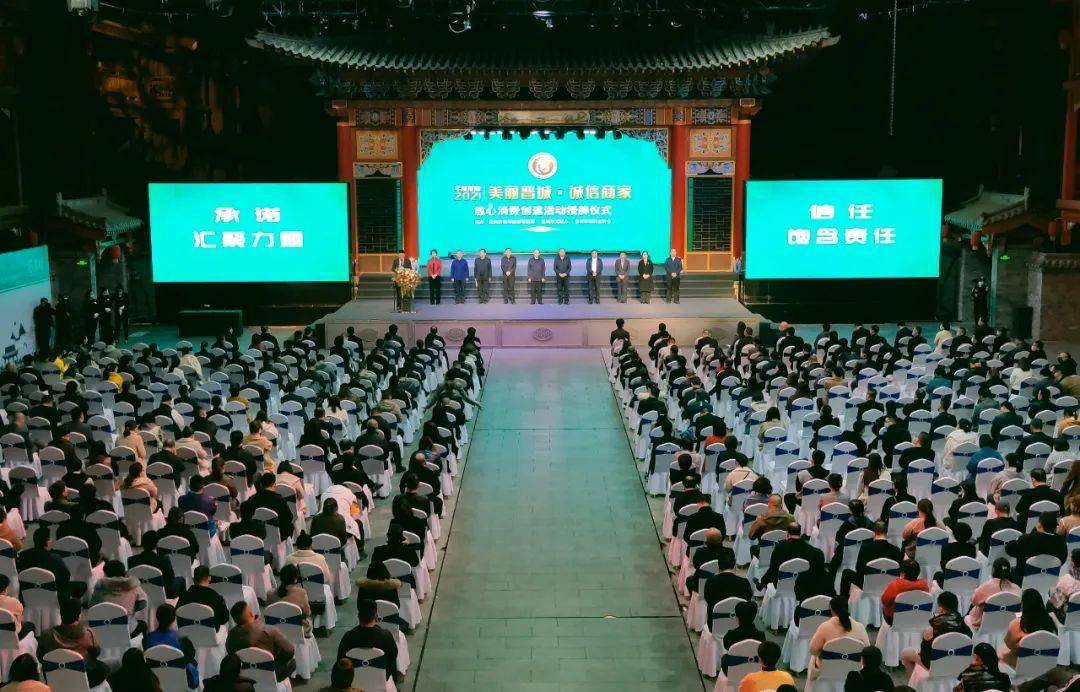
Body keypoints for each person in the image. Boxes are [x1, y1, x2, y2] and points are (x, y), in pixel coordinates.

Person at [900, 590, 971, 678]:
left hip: (936, 666)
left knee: (905, 653)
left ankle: (912, 683)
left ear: (941, 609)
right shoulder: (965, 627)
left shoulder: (932, 628)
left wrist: (925, 642)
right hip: (957, 665)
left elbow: (925, 657)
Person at [38, 598, 109, 686]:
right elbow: (96, 653)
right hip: (81, 676)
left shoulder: (47, 635)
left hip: (57, 677)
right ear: (79, 615)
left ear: (61, 614)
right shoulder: (88, 634)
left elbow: (40, 657)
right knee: (103, 668)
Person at [225, 601, 295, 682]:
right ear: (251, 614)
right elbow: (290, 650)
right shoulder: (271, 630)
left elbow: (230, 653)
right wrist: (278, 660)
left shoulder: (231, 637)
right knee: (292, 663)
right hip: (269, 674)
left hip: (244, 676)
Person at [336, 599, 400, 684]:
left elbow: (340, 661)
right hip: (381, 680)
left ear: (358, 616)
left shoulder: (348, 637)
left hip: (354, 681)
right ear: (376, 616)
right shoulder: (385, 636)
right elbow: (393, 656)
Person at [808, 596, 870, 680]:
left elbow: (813, 650)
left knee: (813, 657)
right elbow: (867, 650)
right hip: (853, 672)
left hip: (828, 671)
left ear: (832, 610)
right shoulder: (860, 627)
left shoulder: (824, 627)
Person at [1000, 588, 1057, 668]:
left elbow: (1009, 645)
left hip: (1022, 663)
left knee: (1000, 651)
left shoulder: (1016, 624)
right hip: (1044, 661)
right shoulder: (1049, 620)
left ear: (1024, 605)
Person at [966, 558, 1020, 630]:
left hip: (984, 626)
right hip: (1008, 626)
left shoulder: (984, 587)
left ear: (993, 570)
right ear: (1009, 571)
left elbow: (974, 601)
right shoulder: (1017, 589)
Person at [266, 564, 313, 638]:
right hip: (297, 631)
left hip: (277, 630)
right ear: (295, 579)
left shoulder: (270, 594)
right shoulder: (302, 593)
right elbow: (307, 613)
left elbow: (268, 614)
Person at [881, 559, 929, 625]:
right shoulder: (925, 586)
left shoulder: (895, 585)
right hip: (918, 618)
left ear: (902, 573)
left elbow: (885, 601)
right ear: (918, 572)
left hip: (896, 620)